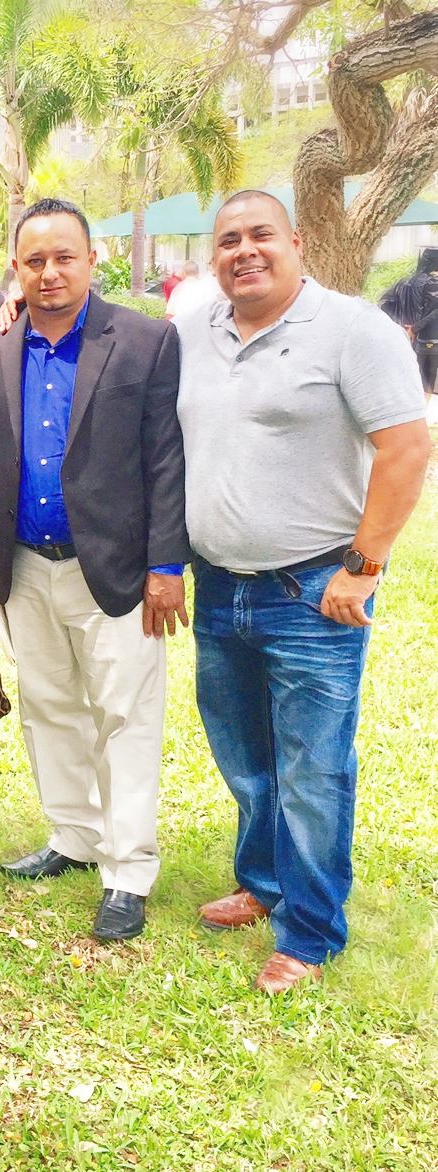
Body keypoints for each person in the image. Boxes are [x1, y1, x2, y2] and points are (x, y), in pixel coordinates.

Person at [176, 190, 430, 992]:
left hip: (316, 593)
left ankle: (312, 931)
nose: (243, 252)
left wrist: (366, 566)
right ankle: (264, 882)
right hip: (219, 587)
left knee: (314, 770)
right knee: (245, 757)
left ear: (298, 242)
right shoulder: (193, 331)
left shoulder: (355, 330)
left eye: (261, 236)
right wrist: (14, 312)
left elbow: (406, 446)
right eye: (228, 241)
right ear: (213, 256)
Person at [0, 197, 188, 941]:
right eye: (34, 260)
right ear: (15, 269)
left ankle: (128, 872)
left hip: (118, 569)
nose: (50, 272)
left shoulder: (146, 340)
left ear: (93, 260)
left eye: (65, 257)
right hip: (25, 566)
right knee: (50, 706)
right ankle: (74, 836)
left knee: (125, 717)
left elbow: (165, 458)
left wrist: (166, 564)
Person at [379, 249, 438, 399]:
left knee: (405, 377)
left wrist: (402, 325)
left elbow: (384, 302)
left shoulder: (403, 282)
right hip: (426, 339)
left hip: (403, 337)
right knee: (426, 380)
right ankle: (421, 412)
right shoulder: (433, 283)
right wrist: (415, 327)